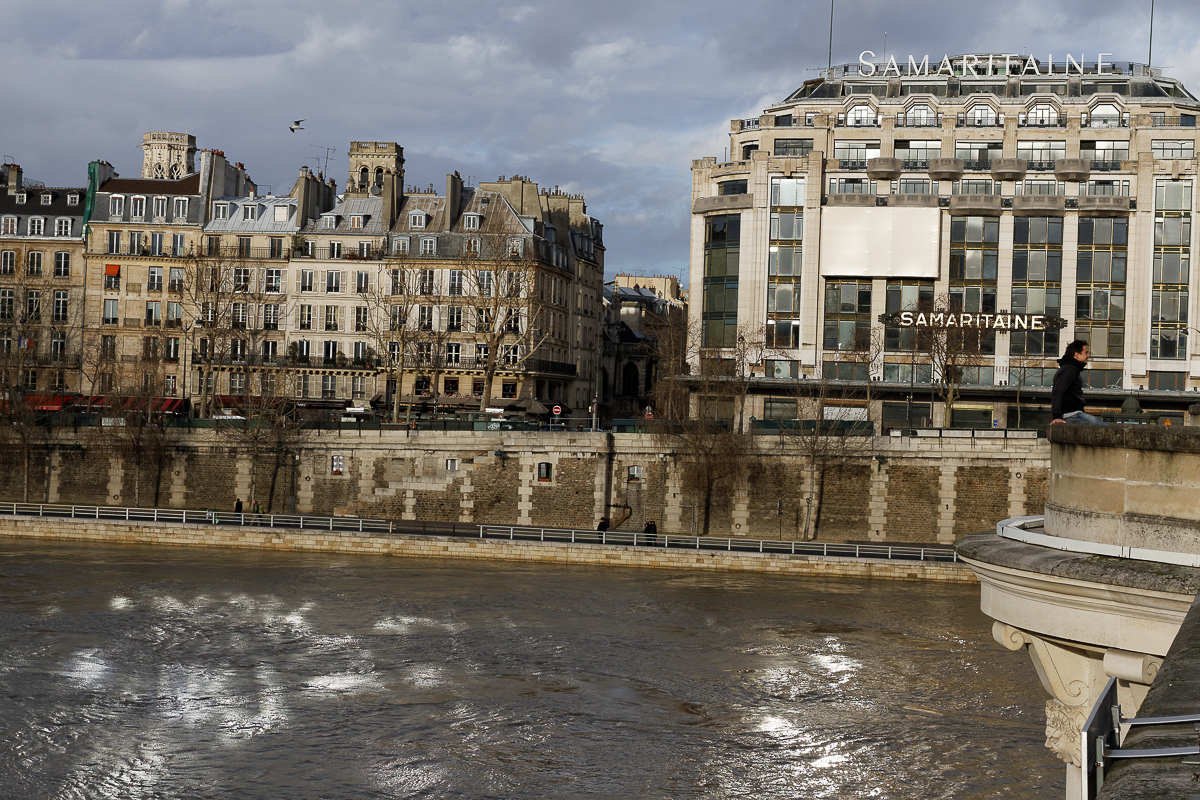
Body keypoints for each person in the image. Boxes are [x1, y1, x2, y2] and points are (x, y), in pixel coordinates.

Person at [1050, 340, 1106, 426]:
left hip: (1072, 414)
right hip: (1071, 414)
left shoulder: (1069, 368)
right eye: (1086, 353)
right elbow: (1058, 391)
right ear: (1076, 355)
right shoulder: (1069, 369)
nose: (1088, 355)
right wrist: (1056, 416)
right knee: (1104, 428)